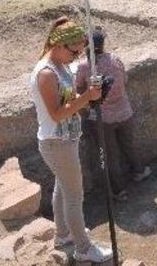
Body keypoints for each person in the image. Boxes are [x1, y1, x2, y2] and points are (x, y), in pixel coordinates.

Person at [30, 17, 113, 263]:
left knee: (63, 187)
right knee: (74, 196)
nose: (77, 57)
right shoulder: (46, 73)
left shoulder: (61, 65)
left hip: (65, 139)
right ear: (59, 44)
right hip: (57, 142)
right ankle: (83, 248)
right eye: (74, 52)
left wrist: (90, 91)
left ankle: (64, 234)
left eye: (79, 53)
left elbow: (69, 97)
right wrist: (88, 96)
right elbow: (57, 113)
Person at [75, 28, 147, 202]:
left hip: (102, 119)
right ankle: (139, 171)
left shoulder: (85, 67)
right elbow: (125, 80)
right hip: (124, 112)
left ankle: (119, 190)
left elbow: (79, 90)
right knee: (129, 145)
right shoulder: (115, 59)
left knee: (110, 155)